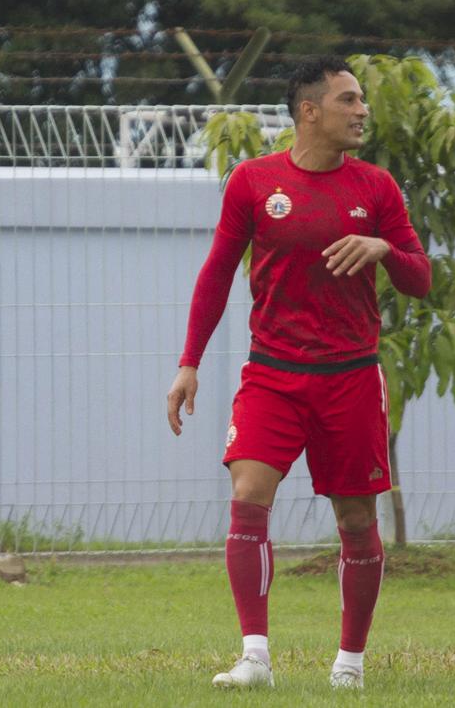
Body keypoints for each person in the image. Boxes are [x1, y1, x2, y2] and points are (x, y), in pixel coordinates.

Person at [166, 56, 431, 691]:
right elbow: (217, 274)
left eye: (361, 99)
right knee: (248, 494)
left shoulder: (377, 188)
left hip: (351, 377)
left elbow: (420, 279)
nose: (362, 109)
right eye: (349, 99)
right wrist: (189, 363)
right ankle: (255, 658)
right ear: (309, 111)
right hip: (274, 374)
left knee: (357, 522)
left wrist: (384, 250)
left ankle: (350, 666)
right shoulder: (254, 182)